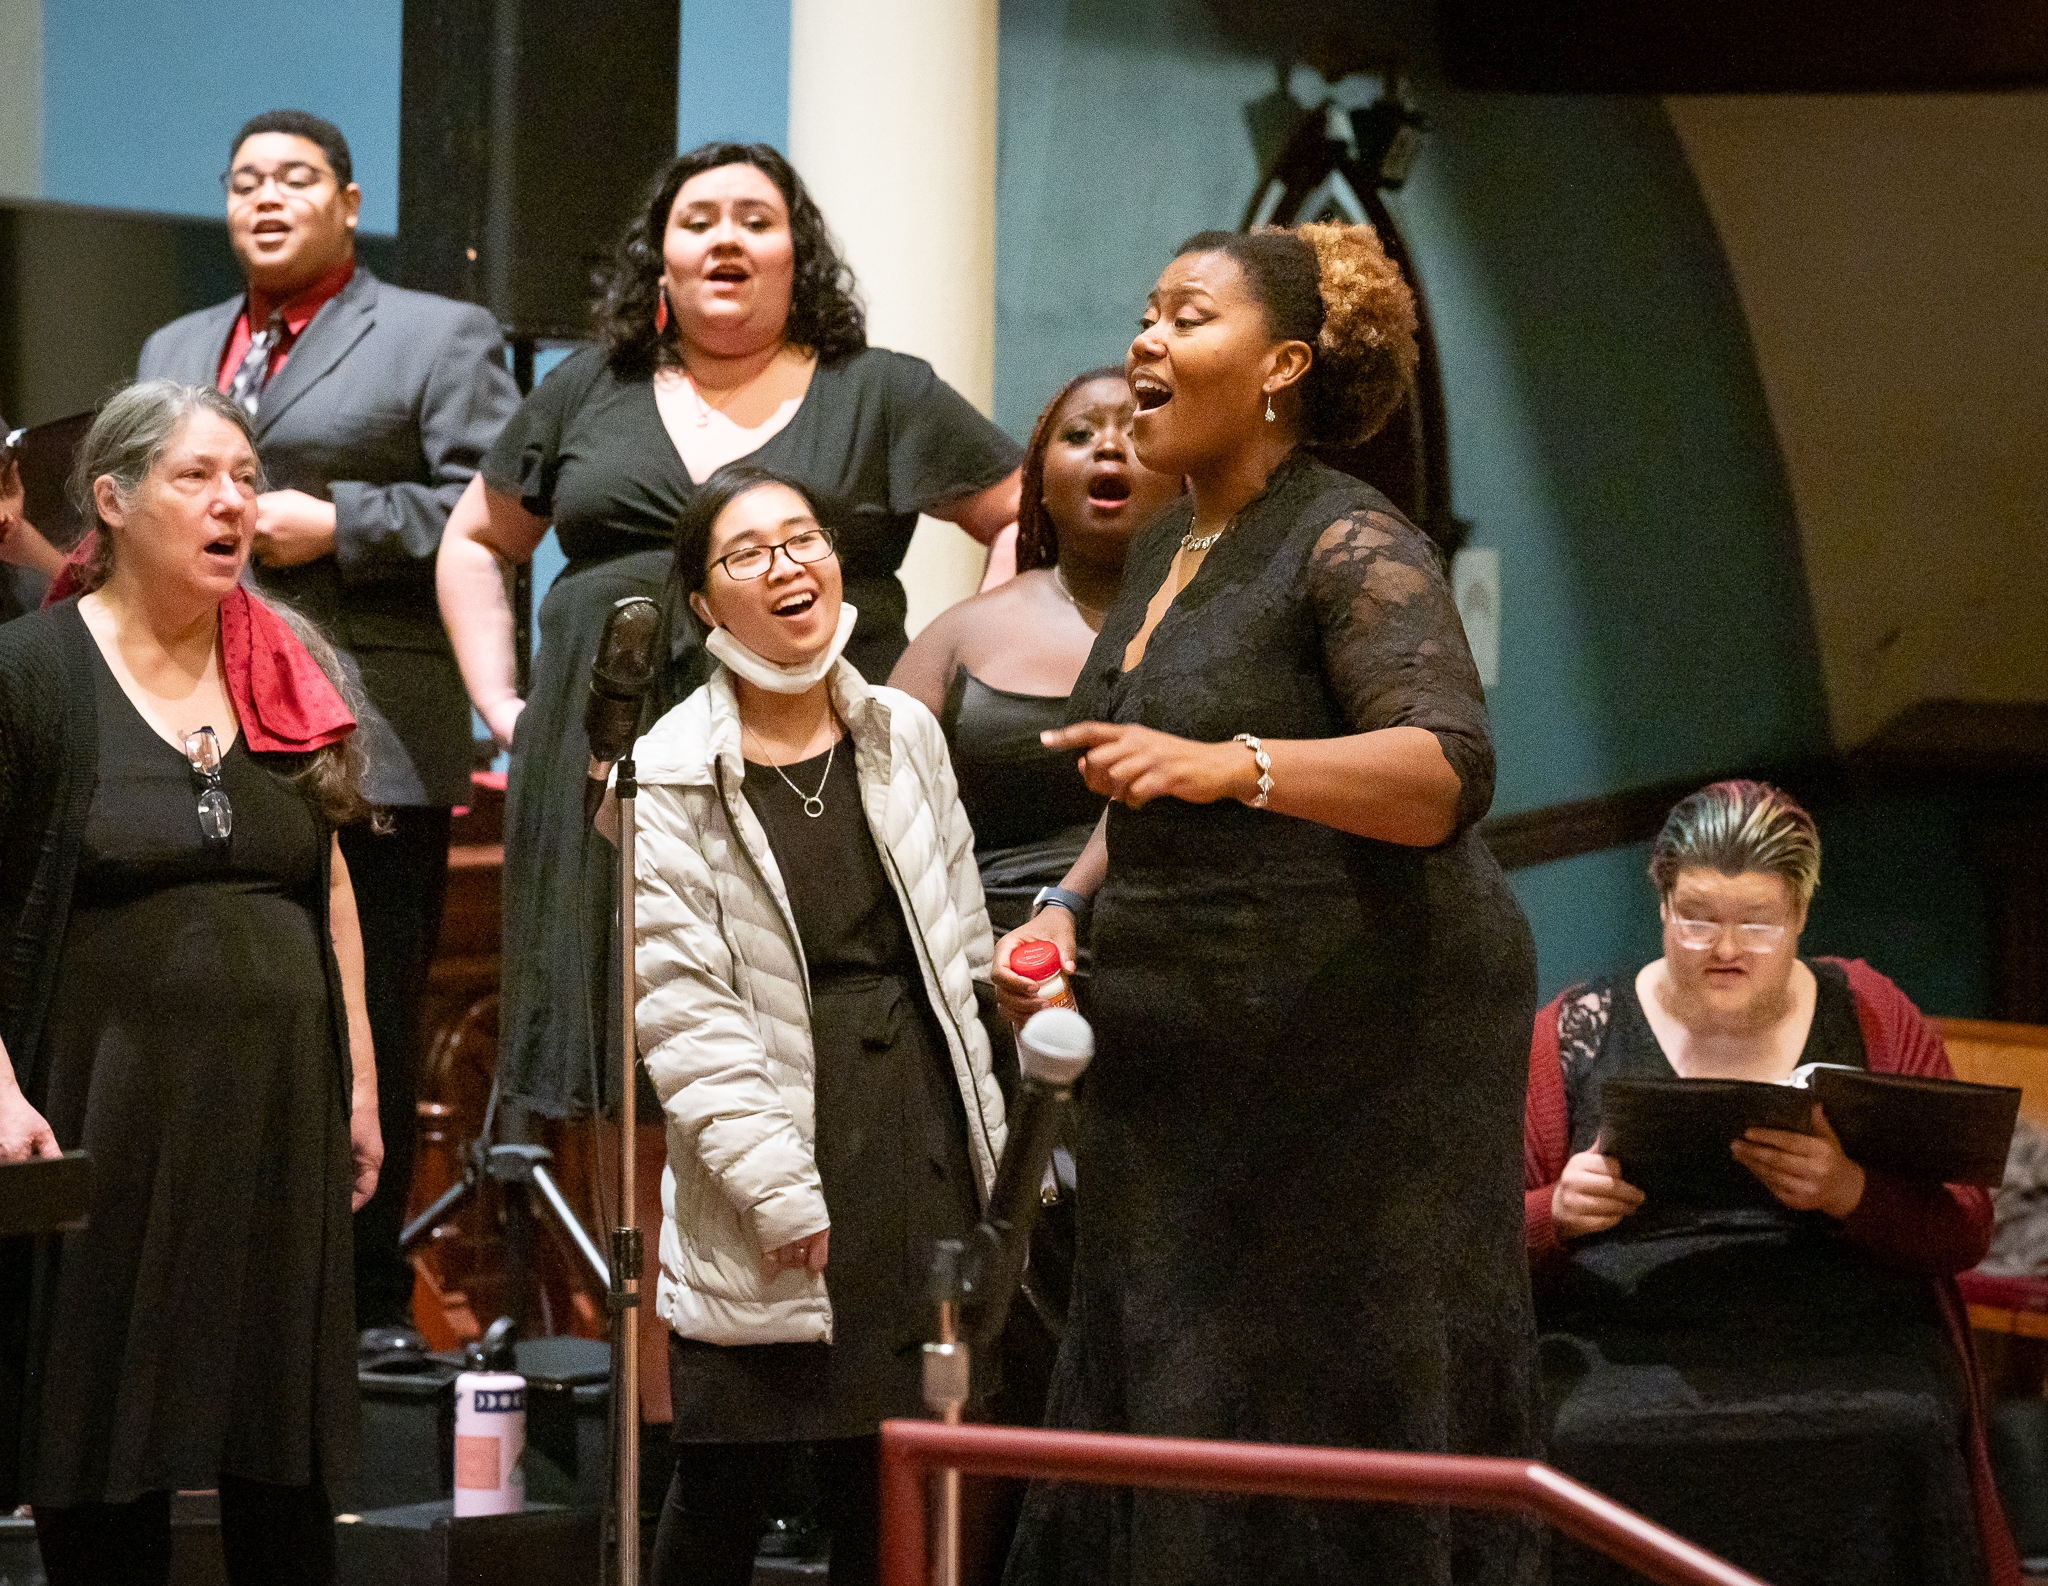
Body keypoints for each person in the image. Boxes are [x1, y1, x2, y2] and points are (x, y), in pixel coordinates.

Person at [994, 226, 1541, 1586]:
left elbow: (1442, 771)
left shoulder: (1351, 536)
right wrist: (1063, 904)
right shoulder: (1183, 539)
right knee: (1168, 1363)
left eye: (1187, 318)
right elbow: (1144, 772)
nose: (1146, 342)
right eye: (1143, 312)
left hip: (1359, 1042)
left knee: (1314, 1382)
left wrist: (1236, 766)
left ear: (1284, 364)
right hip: (1190, 1035)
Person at [437, 141, 1022, 1117]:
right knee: (633, 1055)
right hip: (608, 758)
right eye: (697, 219)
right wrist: (502, 702)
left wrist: (948, 677)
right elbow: (473, 538)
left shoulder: (879, 389)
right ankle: (659, 1275)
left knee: (810, 1030)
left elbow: (1017, 513)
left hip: (811, 759)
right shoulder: (589, 386)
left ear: (799, 254)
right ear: (658, 258)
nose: (726, 238)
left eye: (756, 219)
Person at [136, 109, 519, 1340]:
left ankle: (357, 1307)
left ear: (349, 202)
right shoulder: (178, 343)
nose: (266, 197)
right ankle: (213, 1291)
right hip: (191, 725)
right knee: (207, 1005)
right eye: (244, 179)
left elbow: (497, 502)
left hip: (369, 729)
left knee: (367, 1015)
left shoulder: (435, 332)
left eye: (294, 178)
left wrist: (341, 520)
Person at [0, 381, 380, 1585]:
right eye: (196, 477)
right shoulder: (31, 673)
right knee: (104, 1439)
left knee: (282, 1448)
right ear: (109, 501)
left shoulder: (285, 662)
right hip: (102, 1105)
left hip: (275, 1114)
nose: (232, 503)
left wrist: (359, 1075)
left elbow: (322, 880)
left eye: (248, 478)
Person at [619, 463, 1006, 1586]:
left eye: (804, 539)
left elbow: (960, 939)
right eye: (748, 552)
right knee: (728, 1477)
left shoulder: (900, 730)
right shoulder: (671, 773)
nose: (787, 566)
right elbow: (682, 1007)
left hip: (914, 1131)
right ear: (702, 601)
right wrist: (775, 1185)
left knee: (883, 1479)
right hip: (778, 1136)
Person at [1523, 780, 2021, 1586]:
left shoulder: (1868, 1012)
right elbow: (1475, 1244)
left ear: (1799, 916)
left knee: (1901, 1425)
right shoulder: (1576, 1028)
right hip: (1633, 1336)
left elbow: (1964, 1227)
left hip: (1842, 1327)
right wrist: (1559, 1213)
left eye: (1756, 922)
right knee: (1578, 1433)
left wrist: (1850, 1191)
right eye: (1698, 918)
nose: (1725, 949)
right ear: (1661, 907)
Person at [890, 368, 1182, 936]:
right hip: (989, 951)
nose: (1108, 446)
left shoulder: (1229, 621)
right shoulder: (961, 634)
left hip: (1175, 947)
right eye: (1079, 435)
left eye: (1135, 432)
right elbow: (874, 799)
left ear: (1185, 480)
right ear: (1039, 481)